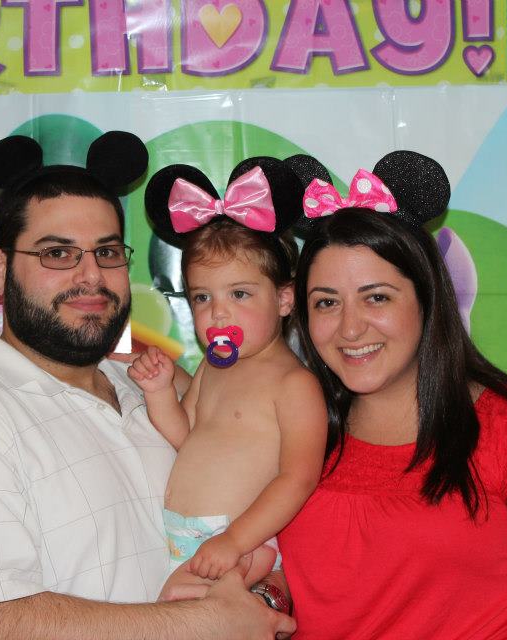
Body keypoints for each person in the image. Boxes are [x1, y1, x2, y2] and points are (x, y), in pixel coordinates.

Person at [0, 132, 296, 640]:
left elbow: (262, 528)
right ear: (0, 270)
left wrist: (261, 599)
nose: (91, 276)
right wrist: (206, 622)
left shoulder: (148, 386)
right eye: (58, 253)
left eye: (106, 252)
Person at [279, 150, 507, 638]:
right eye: (327, 303)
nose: (350, 328)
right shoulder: (297, 424)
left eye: (377, 297)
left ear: (428, 298)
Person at [132, 157, 326, 599]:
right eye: (203, 297)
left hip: (243, 543)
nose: (218, 313)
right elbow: (185, 435)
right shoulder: (211, 367)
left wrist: (235, 540)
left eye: (239, 294)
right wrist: (159, 391)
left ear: (284, 299)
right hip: (181, 537)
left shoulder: (293, 385)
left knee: (181, 615)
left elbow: (298, 479)